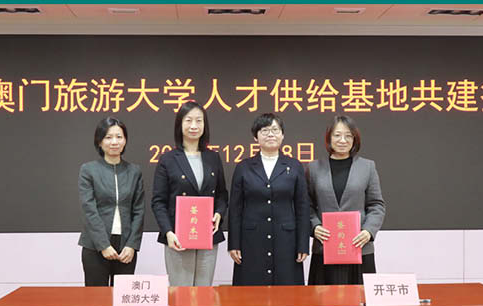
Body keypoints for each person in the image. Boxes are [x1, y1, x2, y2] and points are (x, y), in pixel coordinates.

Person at [151, 101, 228, 286]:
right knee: (181, 293)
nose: (194, 126)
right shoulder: (168, 159)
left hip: (207, 235)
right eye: (188, 120)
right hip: (178, 238)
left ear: (204, 125)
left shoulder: (213, 157)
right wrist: (168, 232)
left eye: (199, 121)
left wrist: (219, 213)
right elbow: (158, 201)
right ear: (180, 124)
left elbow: (222, 194)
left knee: (204, 292)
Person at [228, 113, 310, 286]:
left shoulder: (294, 166)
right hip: (251, 239)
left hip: (286, 239)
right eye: (265, 131)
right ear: (256, 137)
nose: (270, 134)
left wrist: (303, 244)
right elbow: (235, 209)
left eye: (275, 130)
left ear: (282, 135)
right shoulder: (244, 167)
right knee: (251, 291)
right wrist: (233, 243)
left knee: (287, 291)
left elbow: (303, 208)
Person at [307, 115, 385, 285]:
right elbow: (307, 206)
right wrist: (315, 227)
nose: (343, 140)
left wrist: (368, 231)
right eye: (337, 135)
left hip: (359, 247)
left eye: (348, 135)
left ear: (355, 139)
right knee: (322, 299)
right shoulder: (313, 168)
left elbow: (376, 205)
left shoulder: (367, 167)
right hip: (325, 247)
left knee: (360, 298)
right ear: (329, 138)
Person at [78, 117, 145, 286]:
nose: (114, 142)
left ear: (125, 140)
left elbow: (139, 210)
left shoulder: (134, 171)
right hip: (95, 246)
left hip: (126, 248)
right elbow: (89, 210)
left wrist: (132, 245)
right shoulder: (88, 170)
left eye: (119, 137)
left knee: (123, 299)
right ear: (99, 142)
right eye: (108, 137)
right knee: (96, 299)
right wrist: (103, 245)